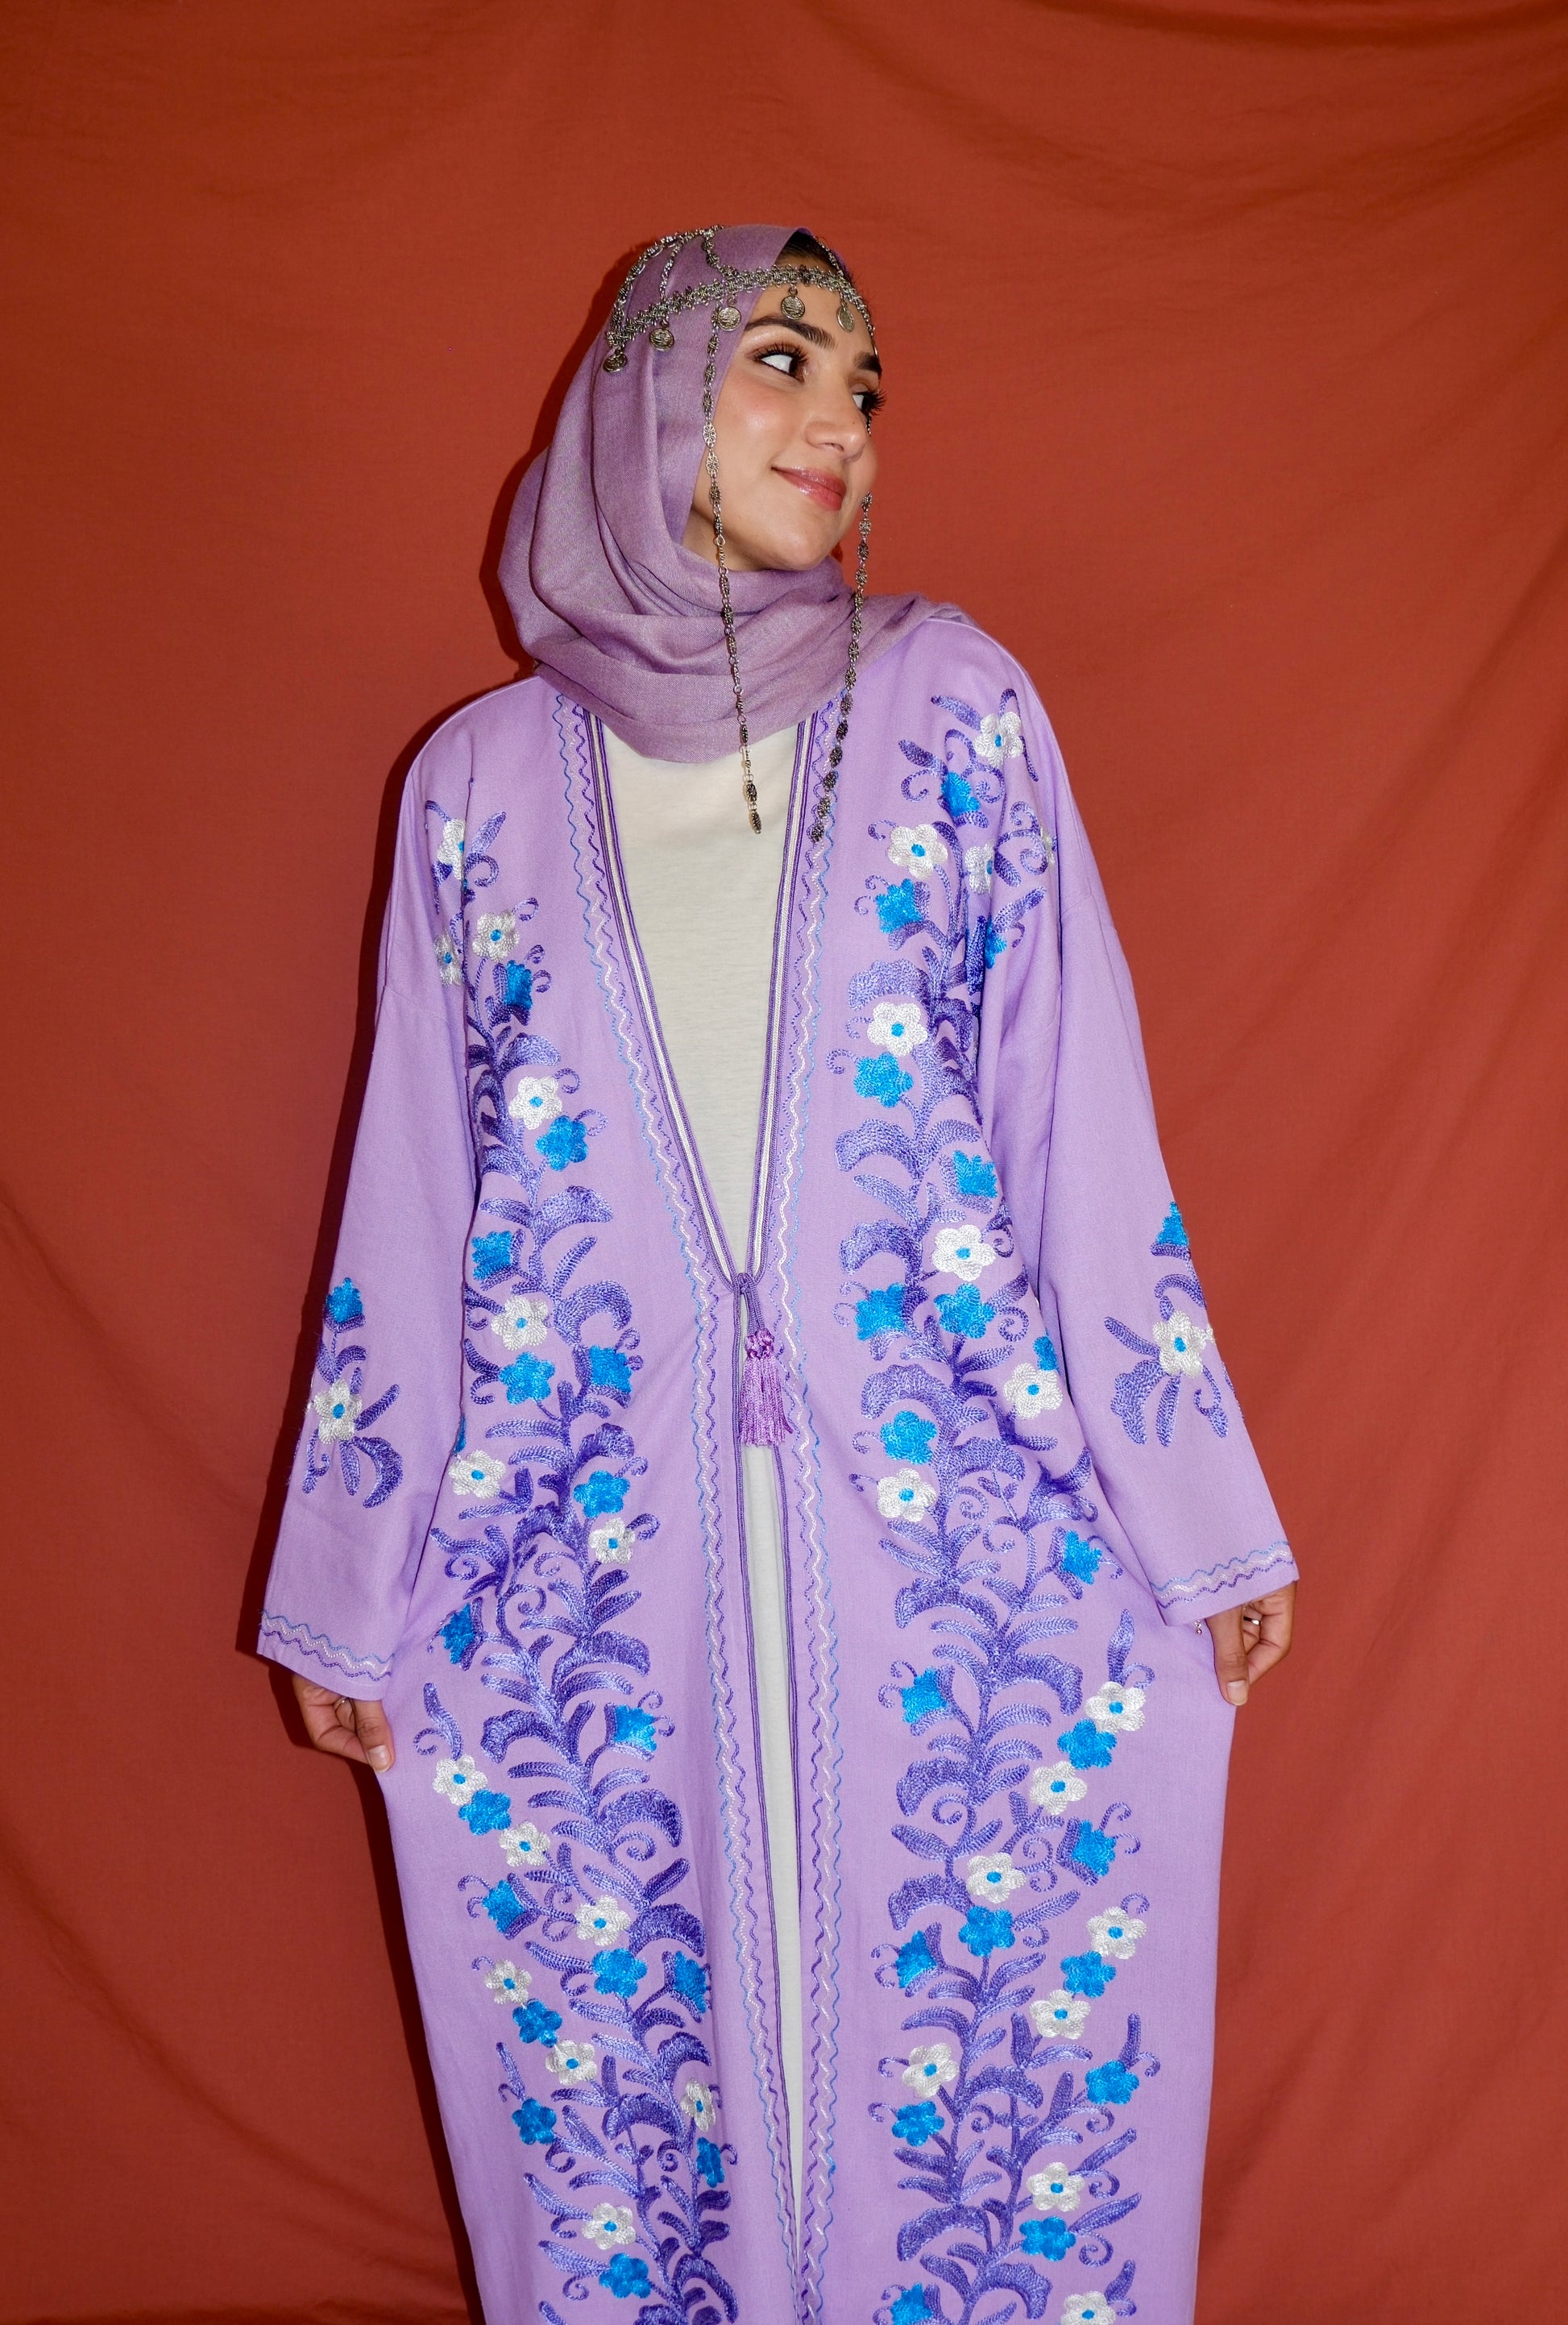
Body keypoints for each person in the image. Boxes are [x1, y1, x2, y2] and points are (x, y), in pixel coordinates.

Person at [259, 223, 1297, 2325]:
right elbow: (414, 1192)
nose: (841, 424)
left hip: (944, 1536)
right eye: (785, 359)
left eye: (867, 386)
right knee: (630, 2067)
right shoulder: (477, 789)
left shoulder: (952, 709)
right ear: (651, 393)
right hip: (590, 1550)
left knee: (968, 2041)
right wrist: (355, 1573)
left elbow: (1077, 1121)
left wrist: (1196, 1512)